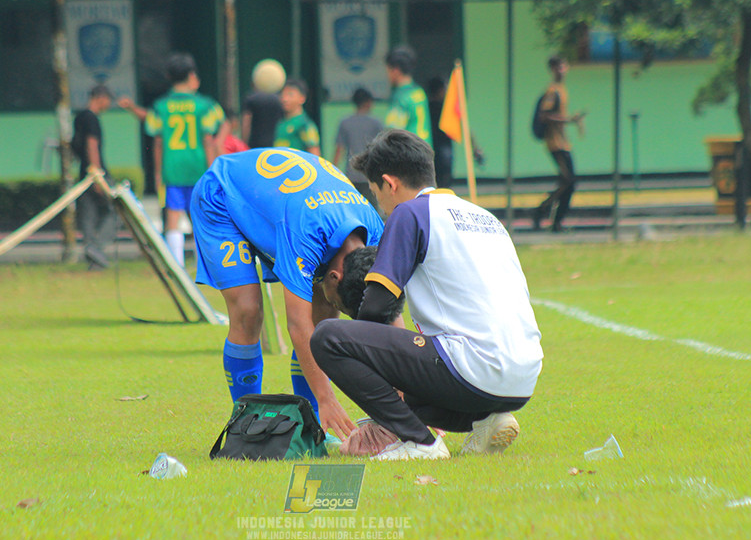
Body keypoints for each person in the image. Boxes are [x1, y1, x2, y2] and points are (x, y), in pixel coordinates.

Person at [310, 130, 543, 460]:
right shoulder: (486, 217)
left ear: (390, 184)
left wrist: (370, 372)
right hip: (523, 376)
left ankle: (420, 443)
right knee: (409, 396)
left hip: (472, 367)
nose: (383, 208)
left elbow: (377, 308)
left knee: (328, 337)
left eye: (377, 195)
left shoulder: (411, 213)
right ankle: (486, 419)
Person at [190, 147, 385, 440]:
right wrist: (327, 399)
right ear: (334, 276)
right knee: (248, 310)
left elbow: (386, 314)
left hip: (283, 203)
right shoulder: (305, 234)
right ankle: (245, 424)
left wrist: (405, 404)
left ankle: (312, 426)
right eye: (339, 299)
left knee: (324, 318)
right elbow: (297, 324)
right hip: (224, 196)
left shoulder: (377, 235)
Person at [121, 53, 223, 267]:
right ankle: (204, 266)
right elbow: (208, 139)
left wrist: (158, 173)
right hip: (199, 168)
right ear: (192, 75)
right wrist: (214, 169)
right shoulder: (205, 105)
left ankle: (176, 267)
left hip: (172, 168)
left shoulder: (161, 106)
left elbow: (157, 141)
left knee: (173, 218)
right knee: (201, 219)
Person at [533, 55, 586, 232]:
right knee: (568, 181)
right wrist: (569, 119)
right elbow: (544, 115)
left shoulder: (562, 89)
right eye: (557, 67)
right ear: (552, 69)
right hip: (555, 143)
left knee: (569, 182)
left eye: (563, 66)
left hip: (564, 142)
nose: (561, 70)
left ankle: (552, 217)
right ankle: (544, 211)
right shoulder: (552, 91)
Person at [72, 84, 117, 270]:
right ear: (100, 98)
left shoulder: (79, 117)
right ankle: (96, 248)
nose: (108, 104)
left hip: (83, 173)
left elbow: (74, 144)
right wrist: (97, 174)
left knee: (88, 217)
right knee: (115, 212)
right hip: (96, 173)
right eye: (108, 100)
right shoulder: (92, 119)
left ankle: (93, 260)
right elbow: (92, 145)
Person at [333, 87, 384, 208]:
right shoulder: (376, 123)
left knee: (352, 208)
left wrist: (333, 173)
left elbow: (339, 150)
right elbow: (382, 150)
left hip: (351, 174)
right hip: (370, 174)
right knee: (371, 209)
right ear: (368, 102)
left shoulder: (345, 123)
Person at [384, 45, 431, 145]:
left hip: (409, 153)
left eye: (388, 70)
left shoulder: (401, 96)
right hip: (425, 150)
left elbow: (393, 133)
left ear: (396, 70)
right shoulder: (419, 92)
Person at [274, 79, 321, 156]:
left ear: (302, 98)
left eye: (290, 95)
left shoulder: (305, 124)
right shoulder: (280, 123)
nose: (285, 99)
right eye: (282, 95)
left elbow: (315, 155)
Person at [241, 72, 284, 150]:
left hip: (254, 145)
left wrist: (244, 143)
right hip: (275, 144)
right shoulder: (279, 100)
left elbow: (246, 124)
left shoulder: (250, 99)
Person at [426, 77, 453, 189]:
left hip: (430, 148)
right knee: (444, 183)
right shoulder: (445, 109)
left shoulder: (426, 107)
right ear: (440, 90)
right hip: (443, 149)